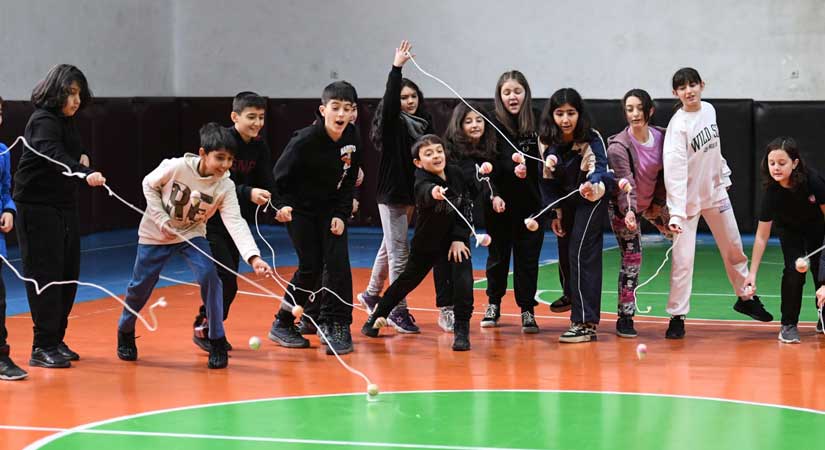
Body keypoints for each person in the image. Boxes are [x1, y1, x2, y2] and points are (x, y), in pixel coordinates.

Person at [115, 123, 272, 369]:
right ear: (202, 153)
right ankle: (125, 329)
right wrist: (161, 219)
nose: (225, 165)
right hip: (156, 233)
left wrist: (254, 257)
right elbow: (149, 184)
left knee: (211, 276)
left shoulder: (225, 185)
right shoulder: (176, 167)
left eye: (230, 160)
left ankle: (216, 338)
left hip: (192, 234)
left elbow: (235, 221)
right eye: (220, 158)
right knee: (140, 286)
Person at [663, 67, 773, 339]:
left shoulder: (710, 110)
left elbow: (713, 151)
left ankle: (746, 298)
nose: (688, 91)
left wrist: (721, 175)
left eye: (692, 85)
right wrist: (675, 213)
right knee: (683, 260)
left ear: (702, 85)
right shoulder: (678, 127)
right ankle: (677, 316)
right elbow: (674, 170)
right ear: (675, 93)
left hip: (715, 193)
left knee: (734, 247)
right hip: (687, 203)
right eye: (682, 88)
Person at [14, 64, 106, 368]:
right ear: (57, 93)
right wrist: (83, 171)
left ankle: (56, 339)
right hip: (37, 206)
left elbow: (76, 152)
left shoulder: (68, 122)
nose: (76, 100)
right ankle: (42, 345)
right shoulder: (42, 121)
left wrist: (83, 159)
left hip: (63, 204)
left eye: (79, 93)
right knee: (45, 275)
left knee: (68, 271)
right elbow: (53, 156)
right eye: (70, 93)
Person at [269, 81, 361, 355]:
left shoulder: (352, 136)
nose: (341, 114)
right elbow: (278, 179)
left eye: (347, 108)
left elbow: (348, 181)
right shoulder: (304, 140)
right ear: (323, 110)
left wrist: (341, 214)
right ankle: (283, 322)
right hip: (300, 211)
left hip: (330, 210)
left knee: (337, 265)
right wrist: (280, 206)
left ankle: (337, 325)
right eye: (335, 108)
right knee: (309, 268)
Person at [361, 134, 474, 351]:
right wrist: (436, 192)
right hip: (428, 244)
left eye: (439, 151)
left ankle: (461, 330)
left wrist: (459, 238)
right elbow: (425, 193)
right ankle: (377, 316)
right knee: (406, 281)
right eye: (428, 154)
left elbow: (466, 206)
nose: (436, 156)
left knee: (463, 282)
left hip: (455, 241)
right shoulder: (421, 179)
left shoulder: (456, 173)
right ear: (418, 162)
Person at [357, 40, 434, 334]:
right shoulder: (392, 123)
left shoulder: (424, 123)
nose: (409, 101)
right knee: (400, 252)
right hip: (392, 195)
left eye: (413, 96)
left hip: (413, 194)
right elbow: (390, 101)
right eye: (404, 97)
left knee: (389, 248)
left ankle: (372, 293)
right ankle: (397, 309)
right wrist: (396, 69)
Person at [192, 91, 275, 352]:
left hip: (237, 223)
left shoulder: (259, 146)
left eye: (261, 117)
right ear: (235, 117)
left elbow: (267, 182)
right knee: (225, 280)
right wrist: (247, 192)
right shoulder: (224, 142)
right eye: (251, 117)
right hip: (211, 222)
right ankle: (209, 327)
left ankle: (209, 323)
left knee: (229, 282)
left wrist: (278, 206)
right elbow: (219, 183)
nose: (257, 123)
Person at [539, 88, 614, 343]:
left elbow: (600, 168)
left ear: (579, 114)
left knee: (581, 251)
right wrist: (555, 213)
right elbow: (547, 180)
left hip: (591, 196)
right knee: (564, 247)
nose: (565, 119)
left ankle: (585, 322)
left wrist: (591, 182)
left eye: (571, 113)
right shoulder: (547, 139)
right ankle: (572, 293)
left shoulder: (592, 137)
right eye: (559, 113)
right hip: (566, 200)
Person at [480, 70, 545, 333]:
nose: (512, 96)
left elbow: (546, 158)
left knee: (528, 260)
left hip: (531, 206)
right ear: (500, 95)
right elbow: (484, 164)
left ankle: (527, 309)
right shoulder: (490, 121)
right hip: (498, 205)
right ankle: (493, 304)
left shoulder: (538, 119)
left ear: (526, 93)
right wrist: (494, 192)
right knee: (498, 257)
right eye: (507, 92)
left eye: (517, 91)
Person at [606, 89, 672, 338]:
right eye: (629, 109)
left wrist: (661, 208)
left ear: (650, 110)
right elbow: (626, 183)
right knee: (632, 260)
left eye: (639, 108)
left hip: (653, 202)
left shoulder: (664, 137)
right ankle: (625, 316)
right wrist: (631, 212)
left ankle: (678, 315)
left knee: (682, 238)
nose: (634, 114)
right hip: (625, 208)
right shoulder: (618, 147)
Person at [745, 137, 825, 342]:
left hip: (819, 229)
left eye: (782, 163)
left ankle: (823, 315)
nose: (776, 168)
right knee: (794, 270)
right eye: (772, 163)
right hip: (790, 232)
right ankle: (788, 324)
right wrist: (752, 274)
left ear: (795, 163)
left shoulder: (813, 181)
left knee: (820, 269)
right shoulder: (771, 193)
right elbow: (762, 236)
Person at [435, 101, 501, 332]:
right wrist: (455, 234)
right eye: (468, 121)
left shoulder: (486, 150)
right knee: (440, 263)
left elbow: (478, 189)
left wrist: (494, 195)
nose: (474, 125)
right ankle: (445, 309)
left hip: (465, 219)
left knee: (461, 267)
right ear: (459, 124)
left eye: (479, 120)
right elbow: (455, 193)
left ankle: (458, 313)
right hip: (443, 217)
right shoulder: (450, 152)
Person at [0, 96, 27, 380]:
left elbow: (6, 190)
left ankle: (1, 356)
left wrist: (9, 210)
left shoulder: (3, 152)